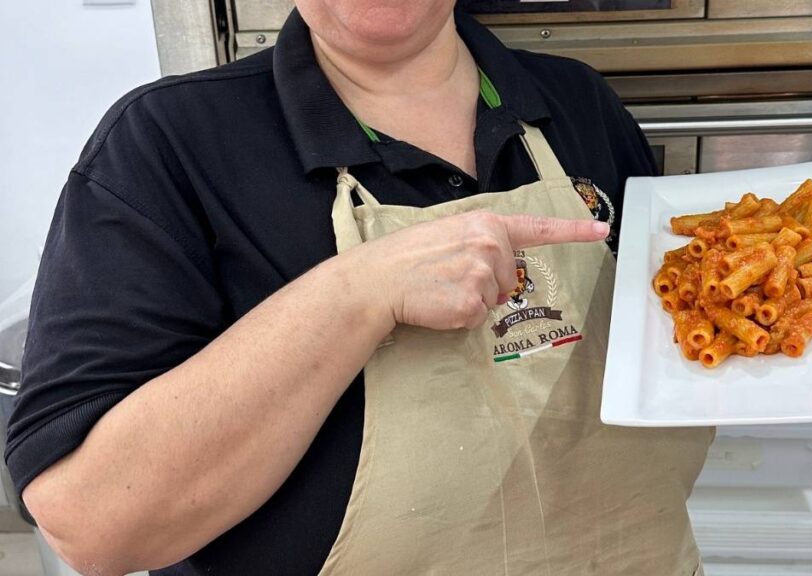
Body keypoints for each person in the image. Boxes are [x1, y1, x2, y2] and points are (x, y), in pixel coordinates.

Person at [5, 1, 714, 574]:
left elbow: (683, 335)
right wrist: (355, 294)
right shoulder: (168, 144)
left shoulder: (580, 100)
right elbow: (90, 524)